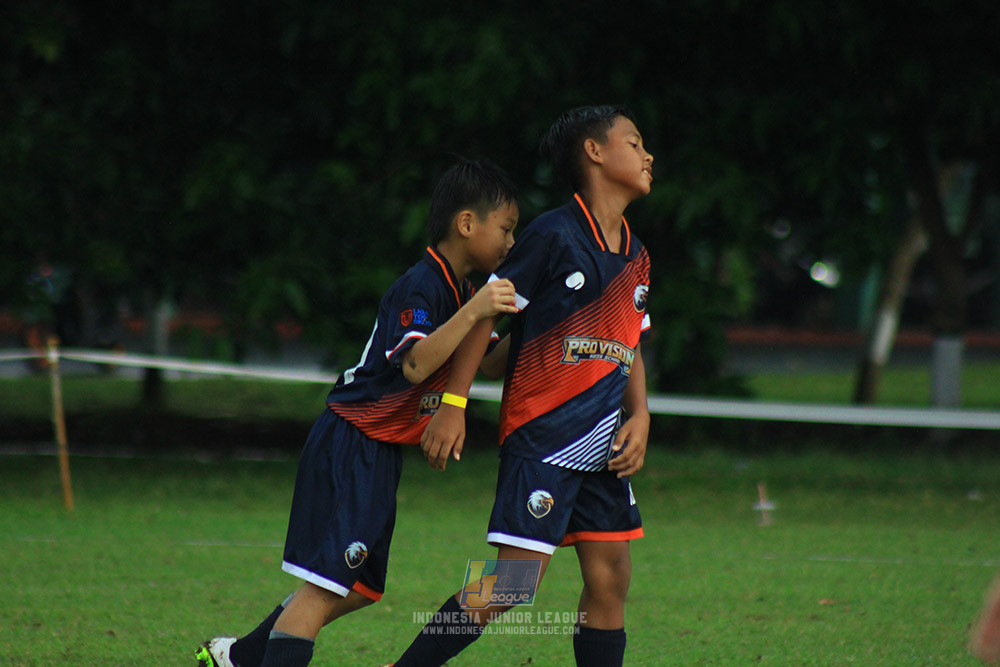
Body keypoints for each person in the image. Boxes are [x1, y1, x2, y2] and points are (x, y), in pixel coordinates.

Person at [194, 158, 519, 667]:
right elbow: (414, 364)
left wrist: (527, 319)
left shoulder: (464, 294)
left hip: (380, 451)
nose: (510, 243)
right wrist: (476, 312)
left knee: (359, 587)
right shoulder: (424, 285)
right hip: (352, 440)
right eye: (506, 229)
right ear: (466, 223)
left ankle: (238, 656)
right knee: (324, 588)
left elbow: (491, 364)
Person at [391, 105, 653, 667]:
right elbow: (488, 314)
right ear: (595, 152)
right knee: (512, 582)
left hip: (605, 444)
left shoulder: (636, 255)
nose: (648, 154)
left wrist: (641, 415)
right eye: (635, 142)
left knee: (611, 579)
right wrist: (454, 404)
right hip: (546, 437)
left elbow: (628, 340)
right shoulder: (552, 235)